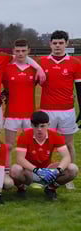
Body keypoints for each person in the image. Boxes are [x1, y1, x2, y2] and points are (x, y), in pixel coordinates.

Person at [38, 30, 81, 189]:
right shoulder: (42, 61)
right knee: (46, 145)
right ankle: (44, 175)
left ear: (66, 43)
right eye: (55, 43)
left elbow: (79, 87)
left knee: (68, 144)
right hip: (47, 111)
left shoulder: (75, 62)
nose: (57, 46)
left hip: (67, 111)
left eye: (61, 43)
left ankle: (68, 176)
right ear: (50, 44)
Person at [10, 111, 78, 200]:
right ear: (31, 125)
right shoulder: (24, 135)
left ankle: (51, 188)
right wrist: (36, 170)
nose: (39, 129)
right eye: (36, 126)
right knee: (15, 169)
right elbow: (20, 159)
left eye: (42, 126)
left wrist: (57, 171)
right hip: (30, 171)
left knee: (73, 169)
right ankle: (21, 188)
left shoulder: (55, 135)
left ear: (48, 124)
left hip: (48, 171)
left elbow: (67, 157)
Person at [2, 39, 38, 152]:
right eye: (18, 51)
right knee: (9, 146)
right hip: (11, 113)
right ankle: (7, 169)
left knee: (30, 146)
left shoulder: (35, 69)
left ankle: (29, 169)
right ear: (13, 51)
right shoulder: (6, 69)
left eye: (23, 50)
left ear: (28, 51)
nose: (21, 53)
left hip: (30, 114)